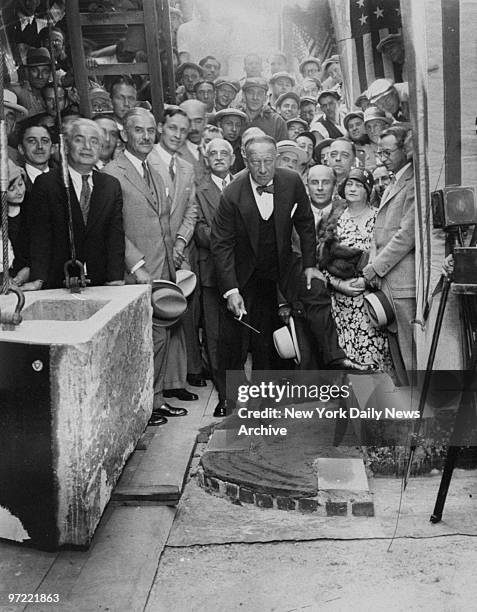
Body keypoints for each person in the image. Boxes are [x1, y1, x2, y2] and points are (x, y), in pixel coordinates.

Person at [210, 135, 373, 416]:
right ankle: (229, 398)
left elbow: (305, 223)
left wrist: (310, 264)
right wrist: (231, 290)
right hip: (244, 269)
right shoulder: (232, 194)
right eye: (256, 162)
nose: (263, 169)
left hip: (283, 262)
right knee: (236, 332)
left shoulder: (292, 181)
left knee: (314, 290)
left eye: (268, 161)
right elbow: (221, 244)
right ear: (245, 161)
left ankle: (335, 359)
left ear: (276, 159)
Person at [103, 107, 189, 426]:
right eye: (138, 130)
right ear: (125, 134)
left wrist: (170, 262)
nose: (146, 136)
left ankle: (157, 400)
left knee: (161, 336)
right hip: (135, 273)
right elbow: (113, 226)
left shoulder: (153, 168)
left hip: (162, 269)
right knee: (141, 342)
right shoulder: (114, 171)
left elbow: (162, 219)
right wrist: (136, 263)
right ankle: (141, 408)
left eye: (151, 130)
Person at [25, 118, 125, 291]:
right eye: (79, 139)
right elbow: (40, 236)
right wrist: (38, 279)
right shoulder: (47, 184)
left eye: (94, 141)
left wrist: (115, 277)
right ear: (66, 146)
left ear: (101, 148)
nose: (87, 146)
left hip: (100, 283)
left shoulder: (111, 185)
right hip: (58, 281)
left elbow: (115, 236)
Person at [149, 106, 203, 389]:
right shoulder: (147, 161)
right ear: (161, 128)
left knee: (179, 316)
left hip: (179, 254)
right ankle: (156, 390)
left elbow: (191, 210)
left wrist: (181, 241)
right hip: (152, 254)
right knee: (155, 322)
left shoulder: (186, 166)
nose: (178, 135)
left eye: (183, 130)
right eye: (172, 128)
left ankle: (175, 383)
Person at [320, 168, 391, 371]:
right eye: (349, 184)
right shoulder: (333, 217)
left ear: (368, 190)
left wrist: (367, 280)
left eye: (359, 185)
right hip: (341, 304)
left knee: (375, 356)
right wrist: (338, 284)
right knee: (348, 359)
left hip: (373, 299)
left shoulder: (380, 217)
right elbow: (321, 259)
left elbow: (386, 256)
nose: (352, 189)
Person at [363, 124, 416, 373]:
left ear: (406, 149)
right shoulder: (395, 180)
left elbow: (407, 235)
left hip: (404, 281)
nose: (382, 158)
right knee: (398, 350)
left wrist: (376, 266)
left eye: (387, 152)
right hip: (389, 280)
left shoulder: (414, 180)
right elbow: (379, 233)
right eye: (379, 153)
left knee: (411, 348)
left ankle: (424, 405)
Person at [194, 138, 235, 384]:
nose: (219, 157)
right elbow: (199, 231)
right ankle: (224, 388)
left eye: (224, 153)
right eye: (213, 153)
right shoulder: (199, 190)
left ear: (232, 159)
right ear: (207, 160)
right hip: (212, 271)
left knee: (241, 331)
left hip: (243, 270)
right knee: (214, 333)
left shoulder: (245, 184)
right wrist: (233, 237)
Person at [242, 77, 288, 142]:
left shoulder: (276, 121)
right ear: (243, 95)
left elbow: (284, 149)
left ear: (265, 98)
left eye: (260, 93)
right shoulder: (236, 118)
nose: (255, 97)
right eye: (251, 92)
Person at [9, 47, 52, 116]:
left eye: (45, 71)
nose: (40, 76)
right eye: (35, 70)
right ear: (27, 71)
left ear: (50, 73)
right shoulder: (19, 91)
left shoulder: (51, 91)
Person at [178, 99, 208, 183]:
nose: (193, 128)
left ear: (206, 121)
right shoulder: (175, 154)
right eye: (188, 122)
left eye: (198, 121)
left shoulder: (214, 147)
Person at [215, 108, 247, 174]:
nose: (234, 129)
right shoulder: (213, 144)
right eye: (229, 124)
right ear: (219, 125)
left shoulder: (244, 146)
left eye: (238, 125)